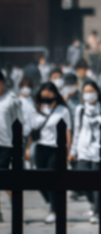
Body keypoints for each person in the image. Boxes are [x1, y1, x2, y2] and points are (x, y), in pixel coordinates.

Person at [69, 81, 101, 223]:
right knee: (83, 181)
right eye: (86, 91)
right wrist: (73, 150)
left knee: (99, 184)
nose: (89, 94)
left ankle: (97, 212)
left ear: (97, 92)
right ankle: (93, 202)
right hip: (83, 151)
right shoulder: (80, 110)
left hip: (100, 151)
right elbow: (77, 132)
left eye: (91, 90)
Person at [26, 82, 72, 223]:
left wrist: (67, 150)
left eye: (49, 93)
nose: (46, 96)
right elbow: (31, 131)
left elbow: (67, 131)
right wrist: (27, 148)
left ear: (54, 93)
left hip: (56, 148)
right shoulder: (38, 109)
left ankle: (53, 209)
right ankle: (53, 201)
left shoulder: (62, 110)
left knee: (52, 178)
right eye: (43, 93)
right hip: (41, 147)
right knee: (40, 178)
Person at [0, 71, 23, 222]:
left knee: (6, 179)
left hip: (6, 144)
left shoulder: (11, 99)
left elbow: (19, 120)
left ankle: (16, 209)